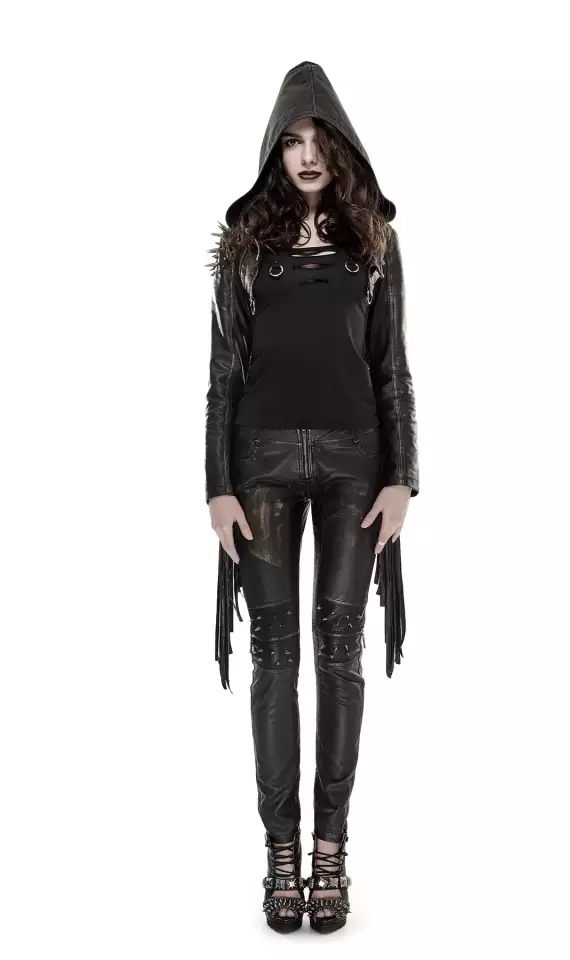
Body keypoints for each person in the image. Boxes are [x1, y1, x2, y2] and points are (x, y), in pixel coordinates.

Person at [205, 61, 419, 933]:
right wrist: (217, 487)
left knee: (339, 657)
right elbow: (222, 376)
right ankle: (280, 854)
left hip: (354, 466)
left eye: (317, 139)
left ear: (340, 146)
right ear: (274, 150)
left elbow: (393, 367)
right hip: (258, 465)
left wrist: (403, 476)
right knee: (274, 660)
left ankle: (331, 851)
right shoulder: (243, 250)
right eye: (290, 140)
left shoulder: (376, 245)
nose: (305, 154)